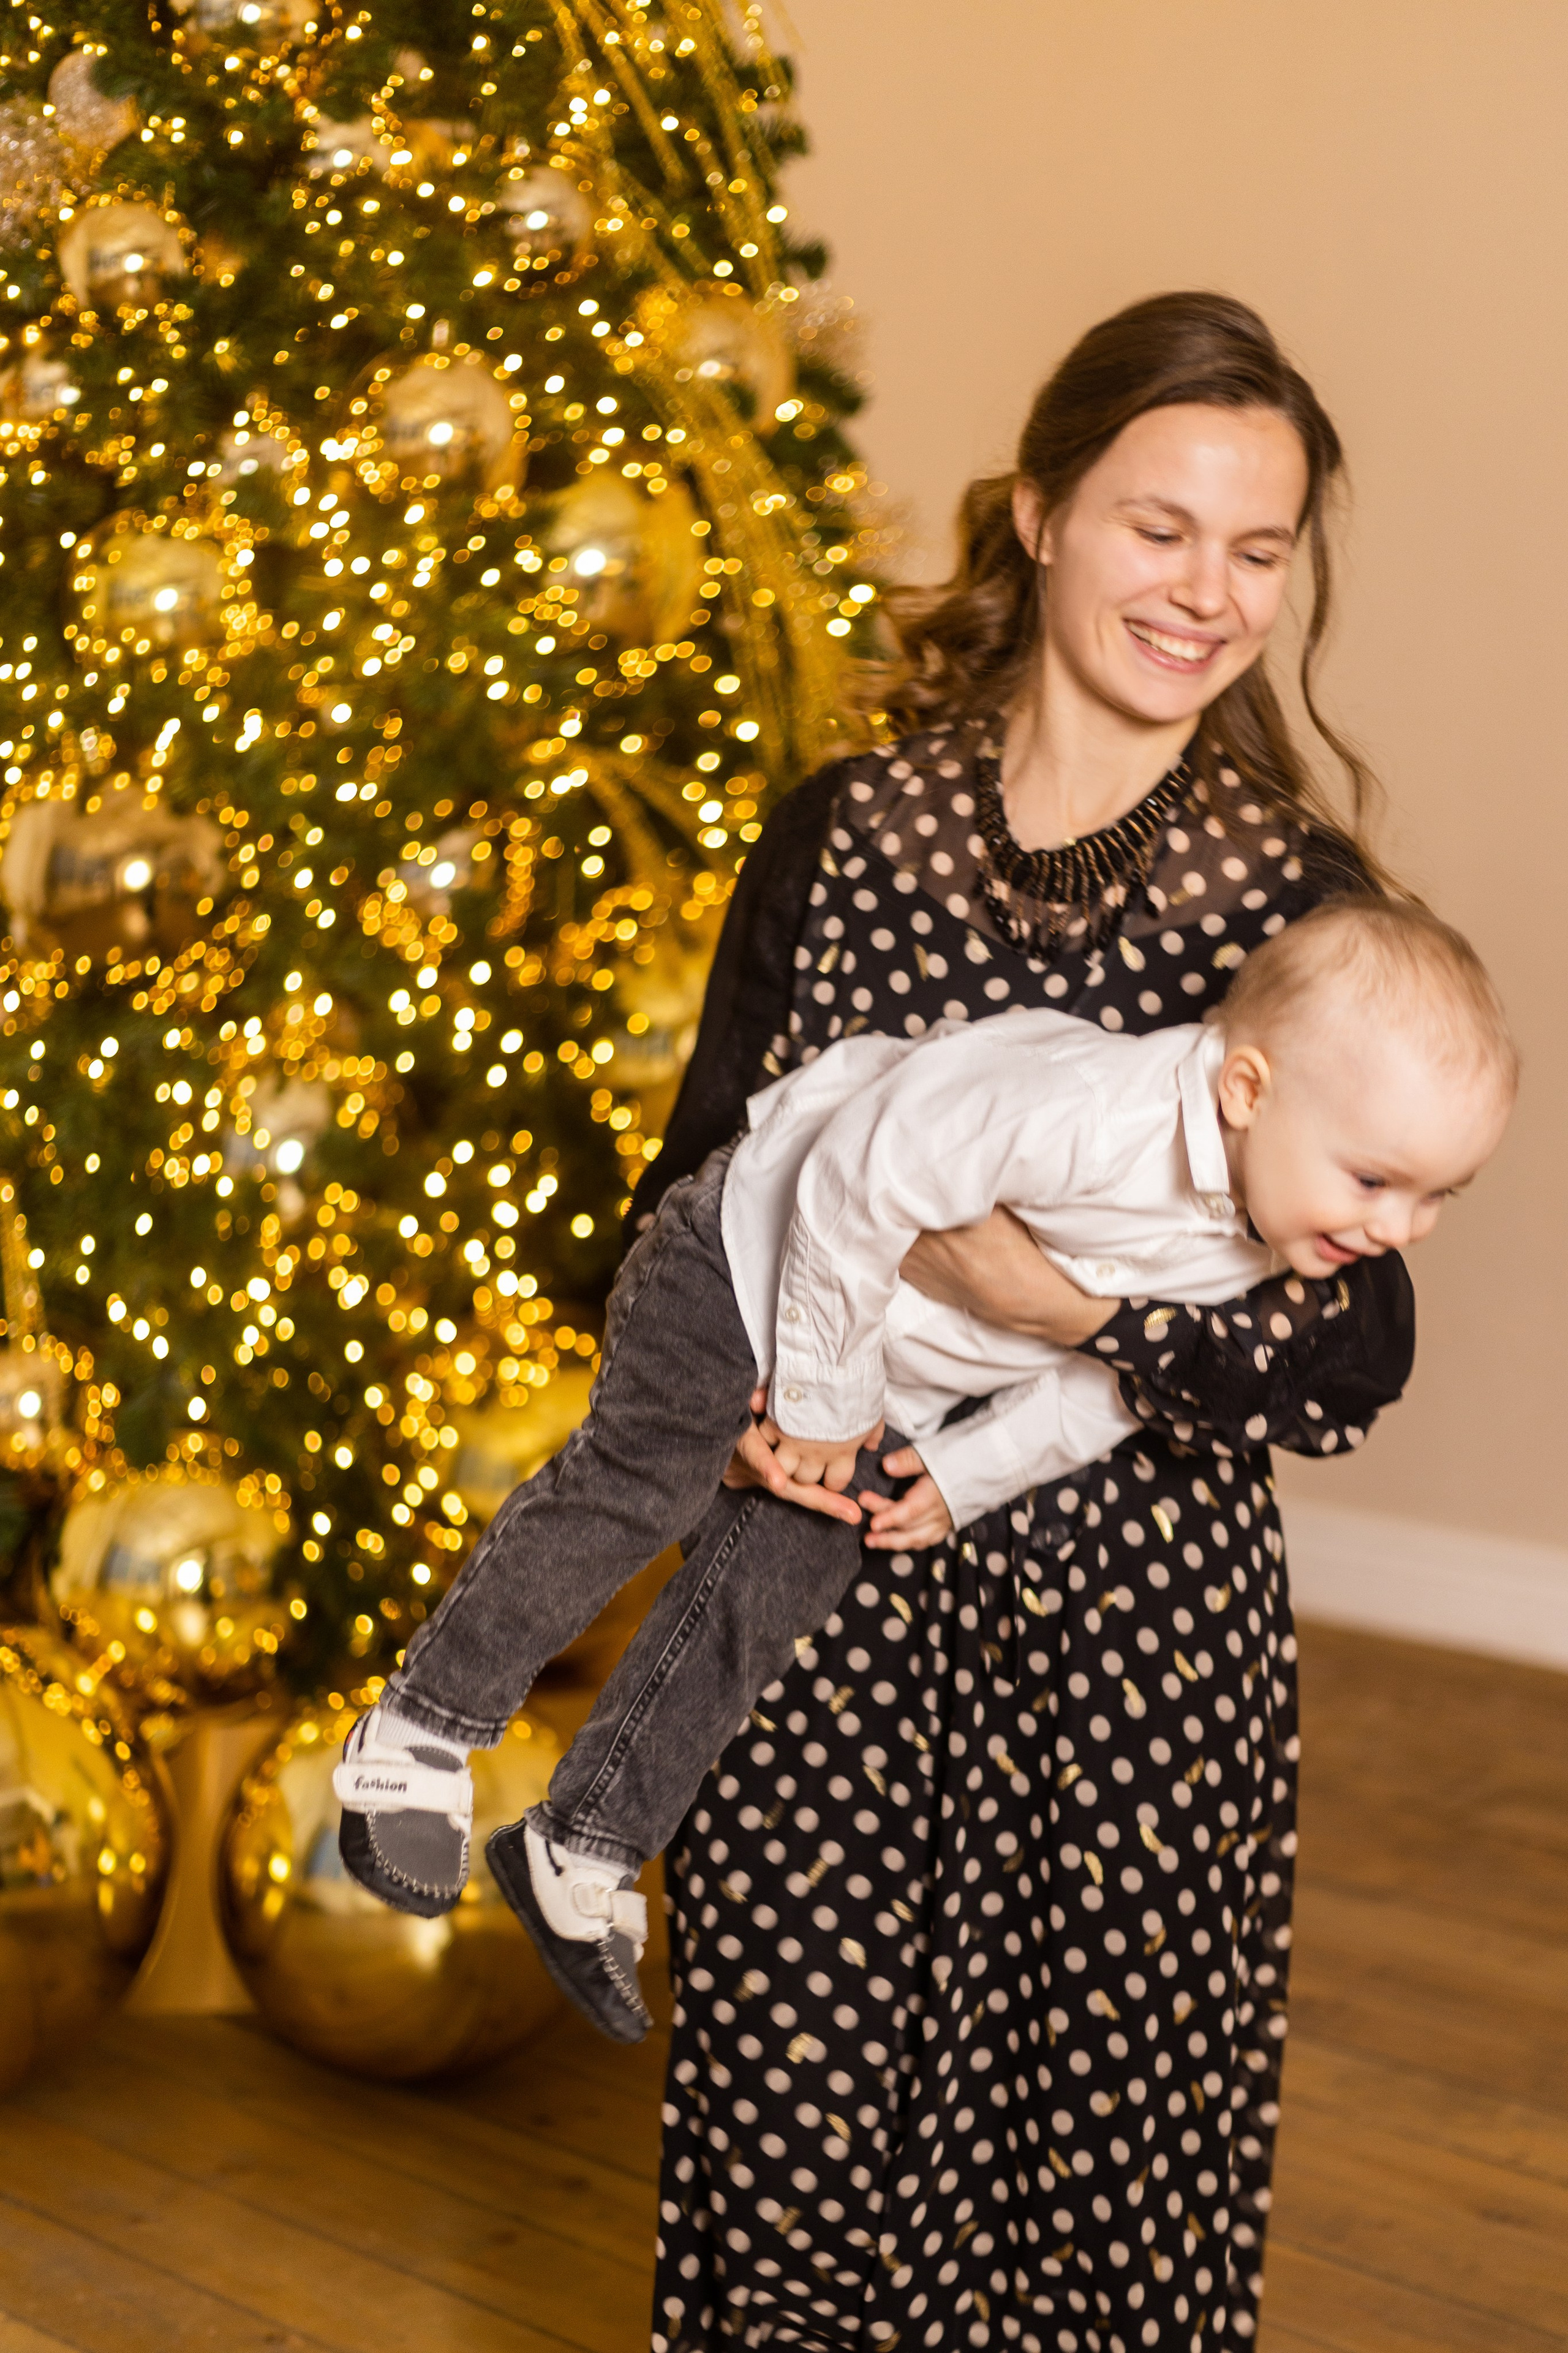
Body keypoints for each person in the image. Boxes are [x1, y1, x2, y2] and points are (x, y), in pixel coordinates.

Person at [625, 293, 1423, 2353]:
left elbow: (1355, 1356)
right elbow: (684, 1197)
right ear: (1046, 511)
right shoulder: (840, 840)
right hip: (814, 1608)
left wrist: (1075, 1314)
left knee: (1094, 2209)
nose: (1208, 592)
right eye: (1162, 528)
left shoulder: (1298, 914)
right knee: (792, 2158)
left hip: (1137, 1651)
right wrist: (729, 1404)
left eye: (1258, 549)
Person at [334, 897, 1512, 2060]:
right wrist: (824, 1405)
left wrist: (961, 1469)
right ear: (1248, 1089)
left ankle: (582, 1842)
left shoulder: (1260, 1239)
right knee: (638, 1485)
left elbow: (1112, 1382)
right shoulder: (1088, 1107)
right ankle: (421, 1732)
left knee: (771, 1596)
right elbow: (859, 1174)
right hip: (744, 1256)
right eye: (1377, 1181)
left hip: (875, 1382)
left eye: (1437, 1196)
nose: (1403, 1227)